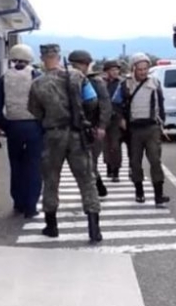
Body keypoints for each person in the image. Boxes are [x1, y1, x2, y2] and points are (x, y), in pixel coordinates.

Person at [27, 44, 103, 242]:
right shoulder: (78, 77)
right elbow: (93, 101)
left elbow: (34, 111)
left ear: (43, 58)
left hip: (53, 136)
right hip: (77, 135)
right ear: (59, 57)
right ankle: (94, 228)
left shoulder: (37, 83)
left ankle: (51, 226)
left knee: (51, 180)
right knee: (86, 180)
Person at [0, 43, 43, 218]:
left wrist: (6, 125)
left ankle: (18, 203)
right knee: (34, 165)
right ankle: (31, 206)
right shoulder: (37, 75)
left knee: (16, 164)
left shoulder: (4, 78)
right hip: (34, 126)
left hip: (14, 127)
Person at [112, 53, 170, 205]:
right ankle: (139, 191)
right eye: (140, 69)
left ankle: (159, 195)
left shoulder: (155, 83)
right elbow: (115, 104)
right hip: (133, 130)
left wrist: (162, 122)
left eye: (145, 69)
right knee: (135, 162)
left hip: (152, 127)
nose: (143, 72)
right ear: (133, 69)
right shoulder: (126, 85)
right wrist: (121, 119)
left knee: (155, 161)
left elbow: (161, 104)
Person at [68, 49, 113, 198]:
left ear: (86, 65)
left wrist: (101, 126)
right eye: (73, 64)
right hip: (75, 128)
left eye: (78, 65)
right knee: (84, 163)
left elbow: (105, 105)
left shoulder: (95, 82)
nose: (75, 68)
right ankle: (97, 186)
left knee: (90, 161)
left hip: (92, 127)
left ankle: (94, 192)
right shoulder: (68, 80)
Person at [101, 60, 125, 181]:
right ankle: (109, 167)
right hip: (104, 118)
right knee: (106, 145)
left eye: (116, 69)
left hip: (117, 118)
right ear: (106, 71)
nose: (115, 72)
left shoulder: (122, 83)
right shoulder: (101, 83)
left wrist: (123, 118)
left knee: (115, 145)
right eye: (112, 70)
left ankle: (116, 170)